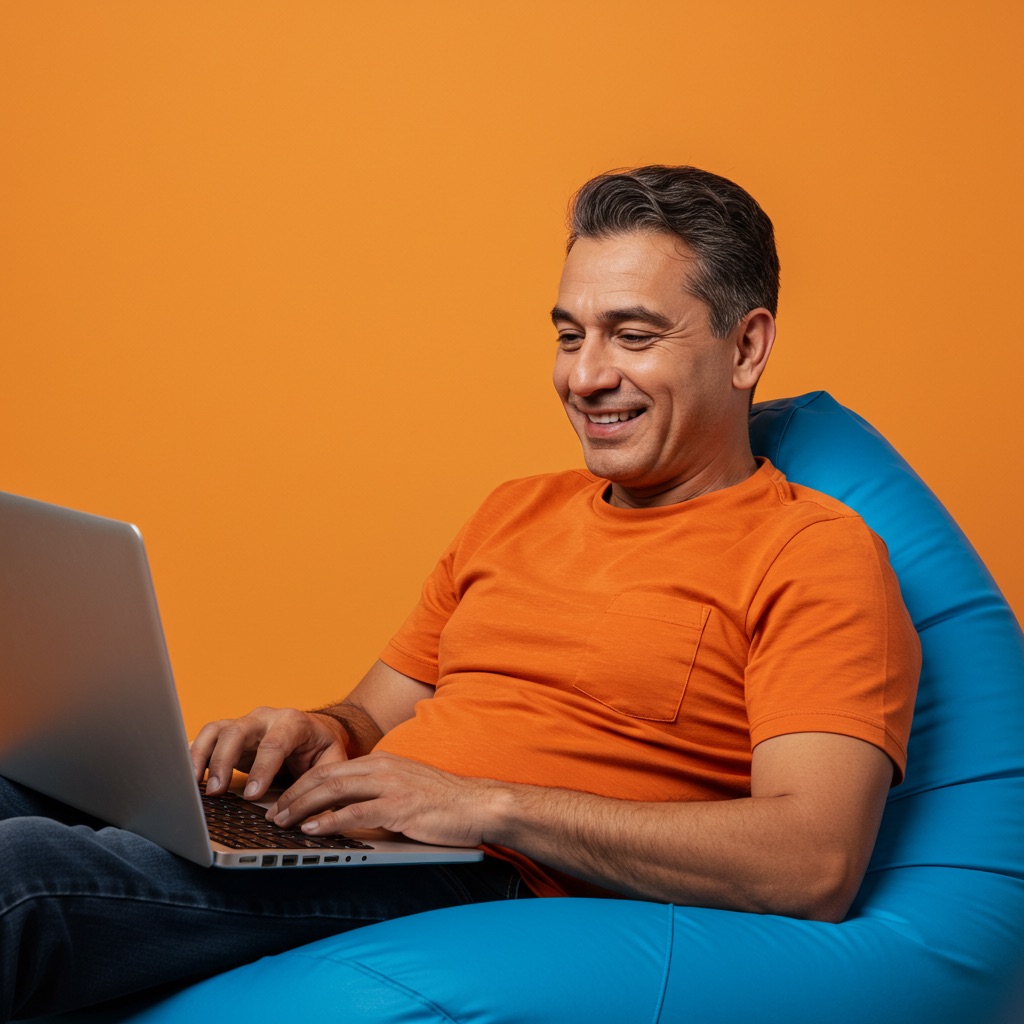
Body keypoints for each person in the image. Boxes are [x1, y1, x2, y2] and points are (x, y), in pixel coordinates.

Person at [0, 165, 920, 1020]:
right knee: (16, 783)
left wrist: (485, 806)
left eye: (633, 336)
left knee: (23, 877)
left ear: (746, 346)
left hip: (492, 878)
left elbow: (815, 862)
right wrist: (316, 732)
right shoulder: (515, 510)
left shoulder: (814, 554)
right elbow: (370, 714)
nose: (586, 376)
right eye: (570, 334)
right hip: (373, 838)